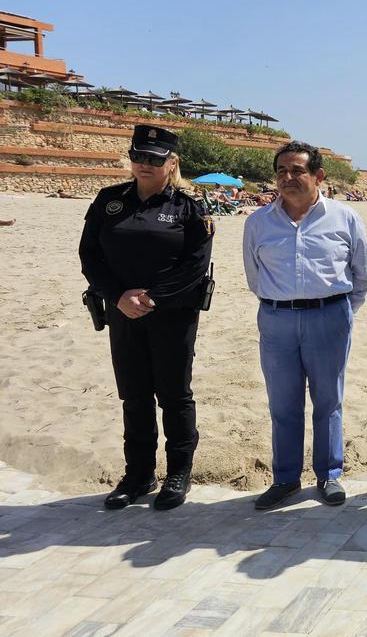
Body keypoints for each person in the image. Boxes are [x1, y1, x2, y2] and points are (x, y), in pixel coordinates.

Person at [79, 124, 214, 510]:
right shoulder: (109, 202)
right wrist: (118, 297)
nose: (143, 165)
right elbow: (90, 256)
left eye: (153, 159)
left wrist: (153, 298)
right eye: (138, 156)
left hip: (172, 314)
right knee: (134, 396)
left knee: (174, 394)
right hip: (122, 312)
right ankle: (138, 474)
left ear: (172, 163)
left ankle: (178, 473)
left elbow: (195, 266)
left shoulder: (189, 208)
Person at [243, 141, 367, 510]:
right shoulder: (258, 222)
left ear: (317, 176)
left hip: (329, 318)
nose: (288, 178)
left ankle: (329, 475)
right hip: (276, 319)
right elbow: (255, 277)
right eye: (282, 171)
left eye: (298, 170)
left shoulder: (345, 218)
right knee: (282, 404)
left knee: (328, 401)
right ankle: (285, 479)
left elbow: (362, 276)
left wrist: (341, 314)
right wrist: (281, 303)